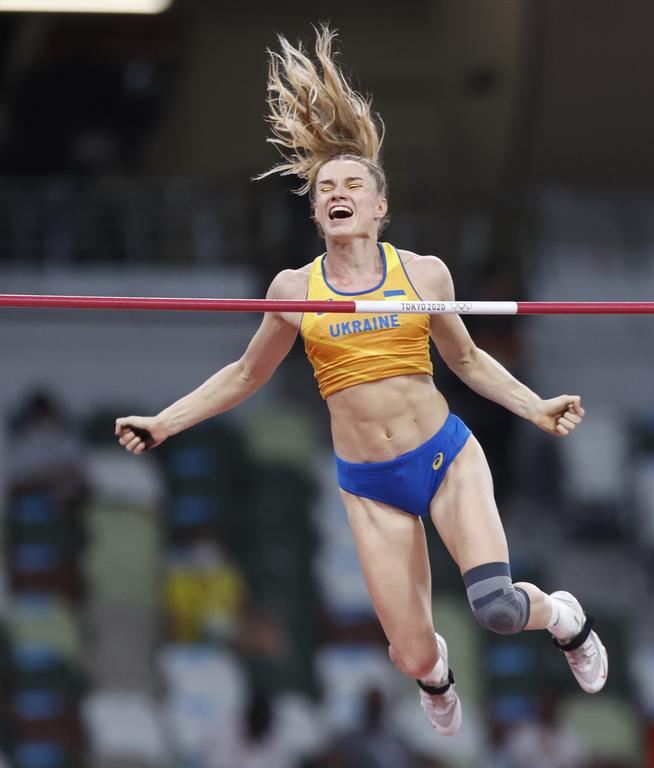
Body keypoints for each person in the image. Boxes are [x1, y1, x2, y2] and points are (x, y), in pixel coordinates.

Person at [114, 24, 607, 736]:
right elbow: (245, 374)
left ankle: (565, 617)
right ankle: (435, 675)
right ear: (316, 213)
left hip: (445, 457)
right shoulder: (294, 289)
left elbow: (466, 361)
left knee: (497, 609)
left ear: (379, 208)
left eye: (354, 185)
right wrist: (165, 420)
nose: (338, 193)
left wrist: (534, 407)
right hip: (370, 483)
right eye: (326, 190)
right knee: (409, 655)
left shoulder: (423, 273)